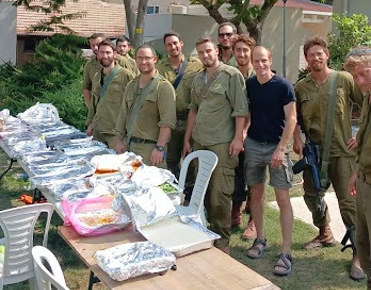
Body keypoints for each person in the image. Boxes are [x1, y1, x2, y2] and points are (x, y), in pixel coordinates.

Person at [293, 36, 364, 280]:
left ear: (326, 54)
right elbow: (294, 116)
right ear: (306, 58)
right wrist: (297, 139)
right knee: (312, 196)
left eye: (319, 53)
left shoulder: (343, 79)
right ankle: (324, 233)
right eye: (311, 54)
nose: (315, 58)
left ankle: (360, 254)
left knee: (349, 204)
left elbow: (366, 102)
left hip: (342, 153)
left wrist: (362, 134)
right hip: (314, 153)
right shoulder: (301, 87)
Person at [183, 36, 248, 254]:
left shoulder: (231, 75)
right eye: (201, 52)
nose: (205, 56)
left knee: (220, 194)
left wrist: (238, 138)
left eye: (209, 51)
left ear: (217, 51)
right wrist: (187, 139)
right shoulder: (197, 78)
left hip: (222, 143)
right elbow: (194, 109)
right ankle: (205, 232)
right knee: (202, 190)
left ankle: (222, 241)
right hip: (200, 141)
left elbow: (241, 110)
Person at [244, 46, 296, 277]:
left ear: (270, 60)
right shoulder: (250, 85)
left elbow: (292, 118)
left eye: (263, 60)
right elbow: (247, 113)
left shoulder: (283, 86)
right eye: (256, 60)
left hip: (277, 147)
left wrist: (282, 149)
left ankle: (285, 251)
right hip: (254, 144)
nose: (260, 64)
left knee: (283, 197)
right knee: (256, 193)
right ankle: (260, 239)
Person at [112, 44, 176, 167]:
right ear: (135, 59)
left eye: (147, 58)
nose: (143, 61)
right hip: (129, 145)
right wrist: (118, 140)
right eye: (140, 58)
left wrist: (160, 148)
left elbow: (167, 122)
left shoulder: (163, 87)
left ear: (155, 59)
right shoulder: (131, 85)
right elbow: (123, 114)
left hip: (150, 149)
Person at [156, 31, 203, 199]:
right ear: (166, 47)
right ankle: (175, 191)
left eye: (175, 43)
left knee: (191, 158)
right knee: (172, 159)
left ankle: (191, 192)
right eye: (169, 44)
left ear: (181, 43)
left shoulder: (196, 65)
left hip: (192, 119)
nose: (173, 47)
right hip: (171, 121)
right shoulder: (160, 68)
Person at [345, 46, 371, 289]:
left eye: (364, 74)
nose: (359, 81)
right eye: (355, 77)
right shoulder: (366, 98)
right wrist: (356, 173)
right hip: (363, 180)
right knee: (362, 242)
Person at [231, 34, 257, 240]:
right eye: (238, 50)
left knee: (255, 177)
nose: (241, 54)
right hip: (233, 132)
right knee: (237, 174)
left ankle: (253, 220)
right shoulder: (228, 74)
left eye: (245, 50)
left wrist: (246, 131)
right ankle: (235, 212)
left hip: (256, 133)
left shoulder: (258, 75)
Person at [86, 39, 133, 149]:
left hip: (115, 135)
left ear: (115, 54)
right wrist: (90, 123)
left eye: (108, 52)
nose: (105, 56)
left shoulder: (125, 75)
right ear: (97, 54)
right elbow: (94, 103)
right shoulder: (97, 76)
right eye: (102, 52)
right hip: (98, 132)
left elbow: (135, 104)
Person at [82, 33, 105, 107]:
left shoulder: (120, 61)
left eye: (98, 44)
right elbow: (86, 87)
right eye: (92, 45)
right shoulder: (89, 65)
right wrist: (90, 107)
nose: (95, 48)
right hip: (97, 107)